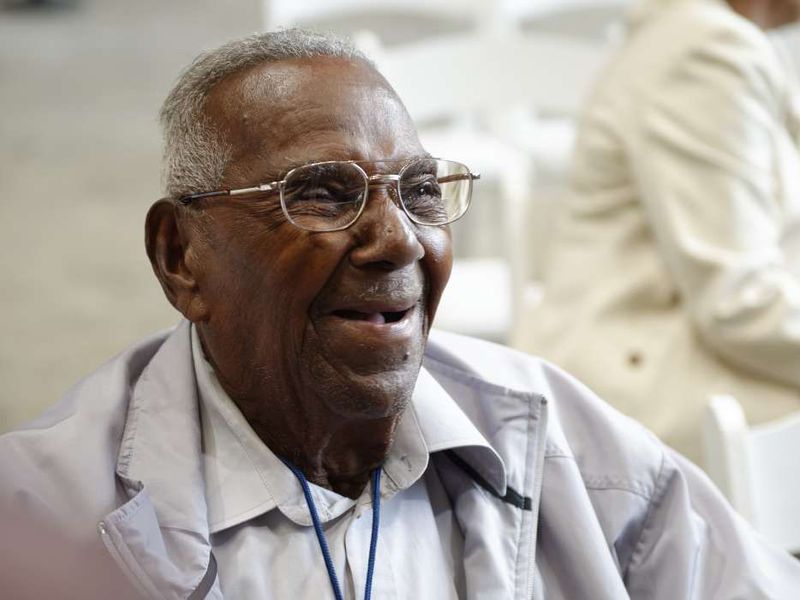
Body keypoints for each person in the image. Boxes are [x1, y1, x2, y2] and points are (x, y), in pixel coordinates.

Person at [1, 29, 799, 600]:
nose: (397, 242)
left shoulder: (566, 449)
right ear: (181, 256)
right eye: (320, 193)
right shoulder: (44, 521)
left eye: (421, 192)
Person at [513, 0, 800, 465]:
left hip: (672, 357)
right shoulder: (706, 49)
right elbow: (737, 301)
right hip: (644, 382)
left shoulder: (703, 37)